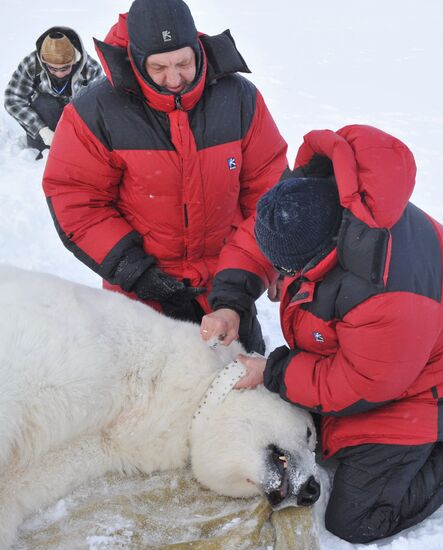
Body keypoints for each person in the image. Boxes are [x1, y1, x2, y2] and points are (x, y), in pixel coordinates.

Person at [222, 124, 443, 543]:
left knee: (355, 519)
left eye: (290, 271)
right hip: (389, 362)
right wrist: (229, 297)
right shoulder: (321, 201)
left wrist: (274, 372)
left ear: (323, 252)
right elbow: (267, 230)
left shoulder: (390, 292)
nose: (283, 280)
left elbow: (363, 383)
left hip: (420, 390)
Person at [42, 0, 287, 353]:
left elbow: (269, 194)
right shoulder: (96, 111)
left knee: (242, 391)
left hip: (226, 290)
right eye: (158, 67)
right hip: (141, 296)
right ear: (136, 61)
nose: (174, 79)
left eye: (183, 63)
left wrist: (244, 280)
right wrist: (139, 275)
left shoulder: (238, 99)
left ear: (198, 50)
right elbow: (77, 201)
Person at [4, 27, 103, 159]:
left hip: (77, 121)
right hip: (45, 122)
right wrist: (42, 130)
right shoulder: (32, 63)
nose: (59, 73)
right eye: (52, 68)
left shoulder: (91, 69)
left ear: (74, 60)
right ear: (44, 62)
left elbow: (99, 107)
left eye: (65, 68)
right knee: (44, 103)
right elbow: (13, 99)